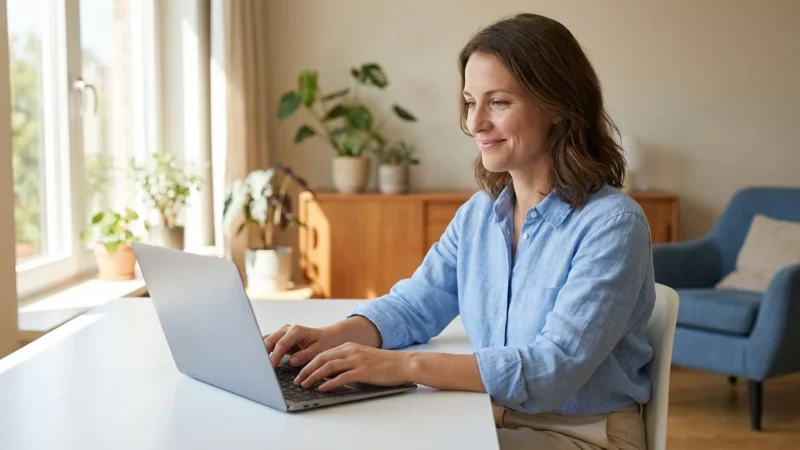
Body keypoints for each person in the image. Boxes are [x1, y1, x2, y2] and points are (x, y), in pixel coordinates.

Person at [264, 13, 654, 450]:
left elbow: (551, 370)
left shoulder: (612, 225)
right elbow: (415, 305)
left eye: (499, 102)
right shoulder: (480, 215)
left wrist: (399, 366)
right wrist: (330, 338)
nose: (475, 123)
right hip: (489, 419)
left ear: (559, 108)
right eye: (471, 102)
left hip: (585, 436)